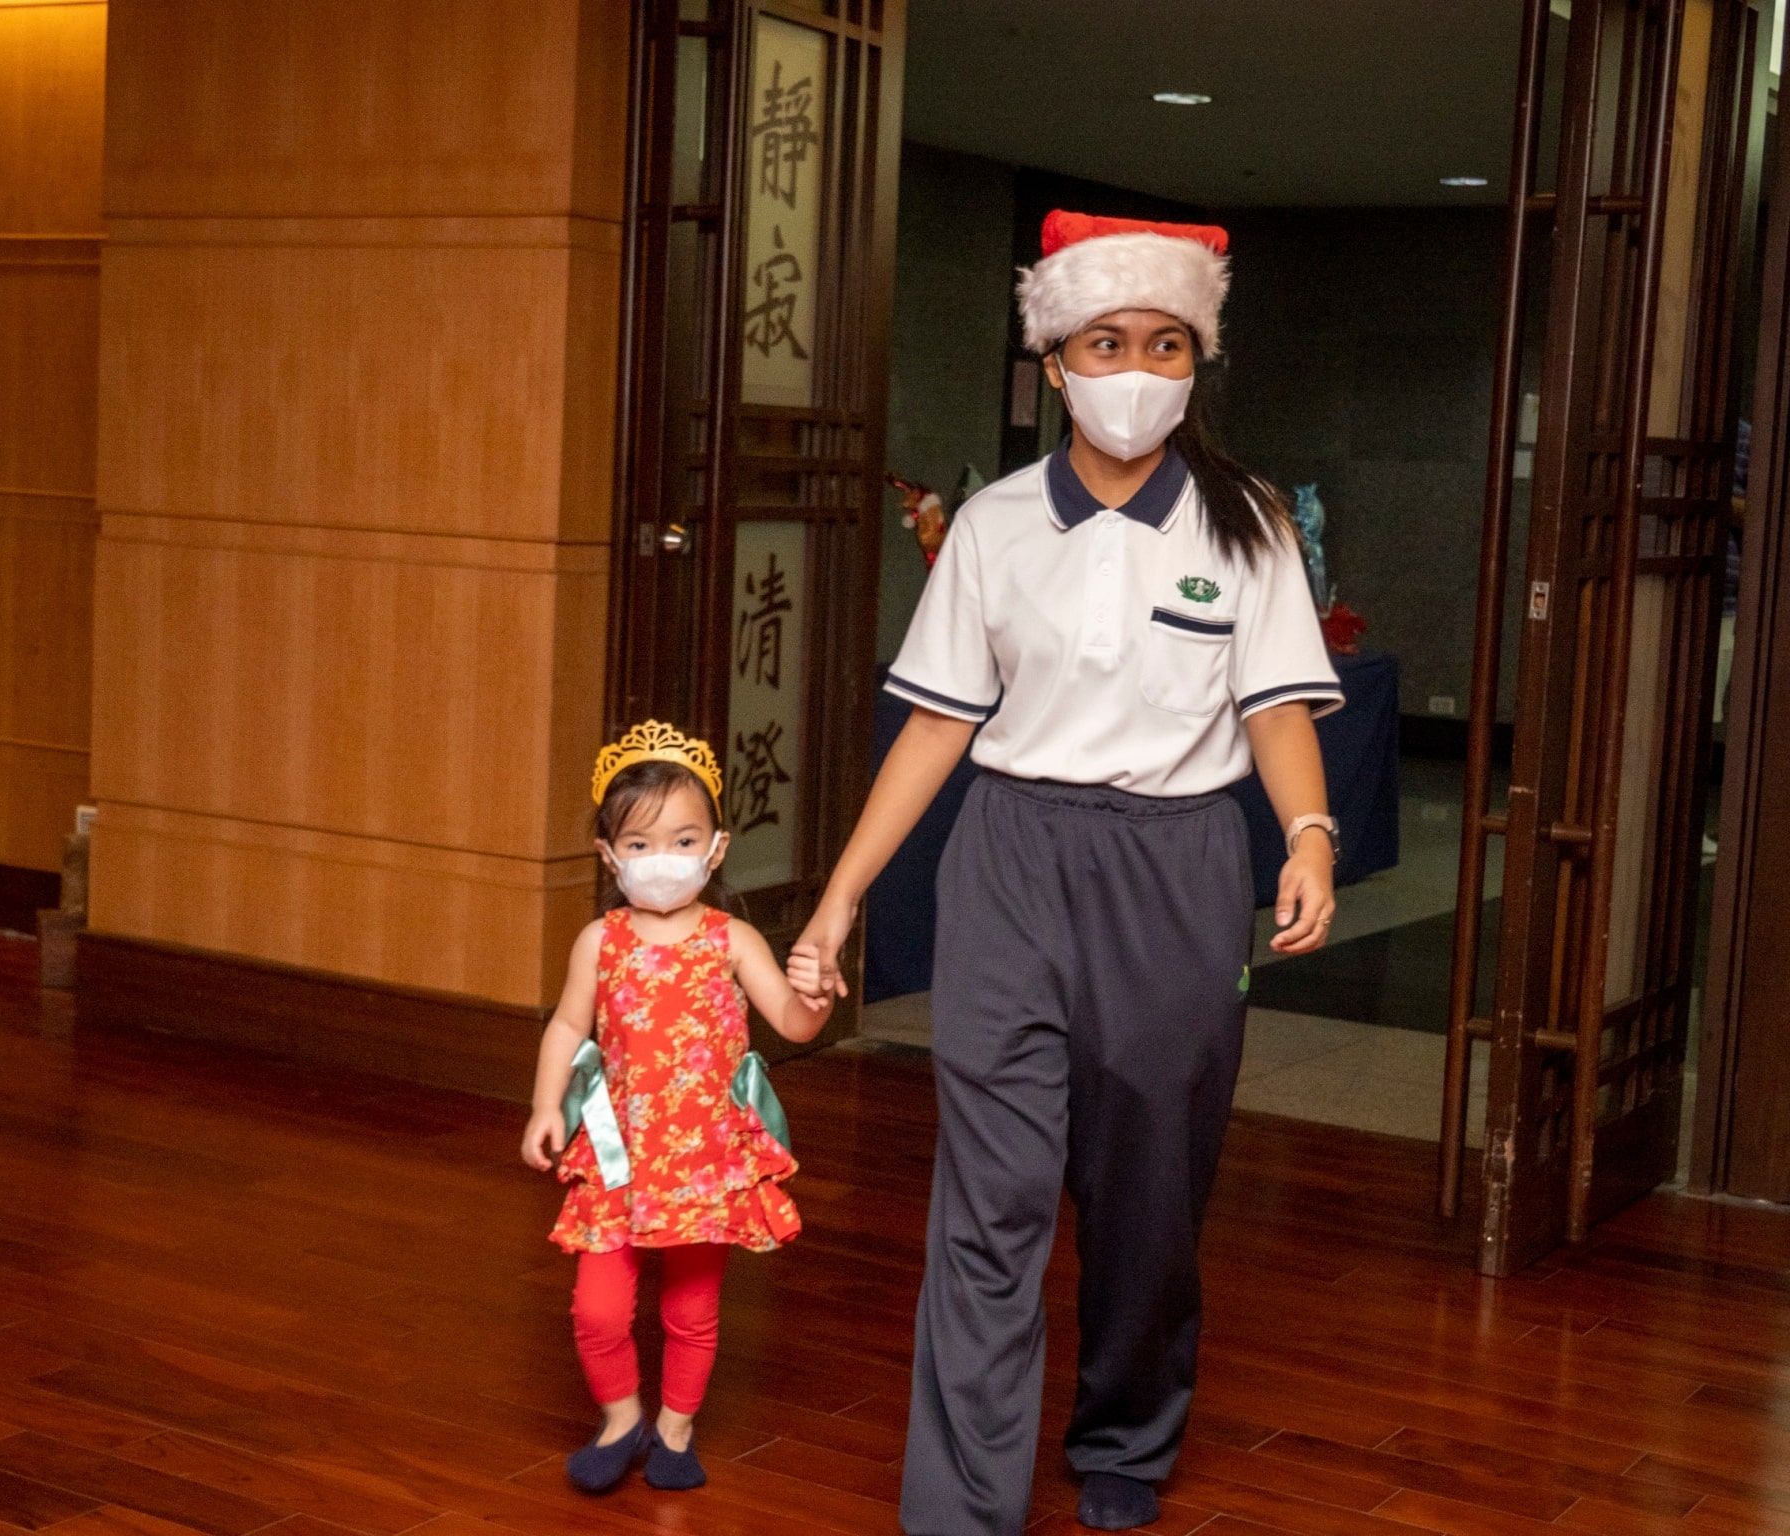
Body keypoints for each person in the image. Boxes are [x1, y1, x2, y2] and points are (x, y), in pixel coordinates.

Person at [796, 212, 1344, 1533]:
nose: (1137, 368)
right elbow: (939, 720)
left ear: (1196, 357)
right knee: (989, 1198)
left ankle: (1126, 1432)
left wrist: (1311, 835)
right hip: (1013, 860)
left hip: (1179, 865)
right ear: (1057, 362)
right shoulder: (991, 527)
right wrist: (842, 892)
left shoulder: (1248, 520)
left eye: (1165, 343)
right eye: (1108, 342)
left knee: (1148, 1185)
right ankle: (960, 1504)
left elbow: (1273, 708)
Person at [522, 721, 831, 1495]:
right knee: (597, 1309)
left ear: (716, 848)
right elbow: (566, 1025)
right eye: (640, 844)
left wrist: (818, 997)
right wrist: (542, 1107)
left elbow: (792, 1024)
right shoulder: (601, 940)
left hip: (705, 1160)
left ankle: (675, 1429)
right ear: (609, 854)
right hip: (617, 1153)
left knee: (690, 1309)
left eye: (683, 840)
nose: (663, 860)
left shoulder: (734, 941)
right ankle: (621, 1417)